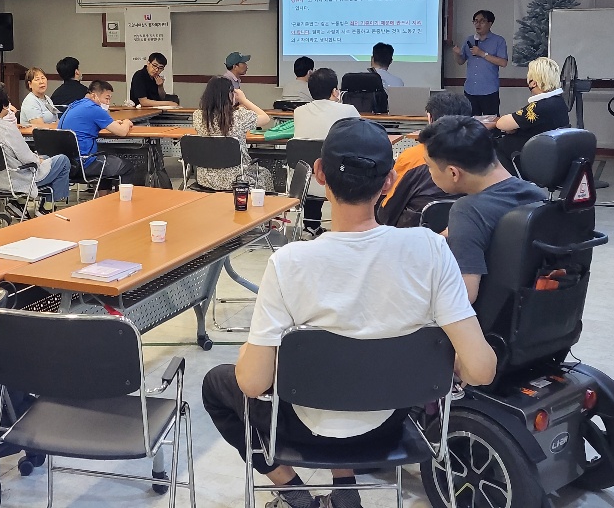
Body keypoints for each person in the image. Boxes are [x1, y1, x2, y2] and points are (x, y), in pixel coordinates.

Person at [201, 118, 496, 508]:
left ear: (319, 173)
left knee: (217, 385)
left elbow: (254, 384)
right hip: (390, 428)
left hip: (303, 430)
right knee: (352, 365)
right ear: (389, 181)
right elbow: (481, 371)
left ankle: (296, 495)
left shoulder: (289, 262)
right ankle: (345, 489)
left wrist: (248, 356)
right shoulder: (431, 249)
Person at [419, 115, 546, 302]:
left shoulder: (468, 211)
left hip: (485, 317)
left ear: (453, 173)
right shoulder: (536, 195)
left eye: (429, 166)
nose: (429, 172)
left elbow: (464, 296)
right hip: (528, 310)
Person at [376, 91, 473, 228]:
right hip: (468, 229)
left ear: (430, 118)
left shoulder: (412, 157)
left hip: (416, 233)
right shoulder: (483, 155)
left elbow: (387, 212)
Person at [0, 83, 71, 205]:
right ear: (4, 105)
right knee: (63, 161)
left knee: (46, 158)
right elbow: (27, 159)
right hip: (13, 180)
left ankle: (21, 204)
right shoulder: (8, 129)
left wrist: (40, 159)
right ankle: (49, 206)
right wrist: (38, 160)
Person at [292, 68, 360, 233]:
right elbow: (361, 134)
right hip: (337, 182)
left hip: (303, 183)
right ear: (334, 90)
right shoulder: (348, 110)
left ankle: (311, 226)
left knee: (317, 161)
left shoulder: (298, 111)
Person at [191, 77, 273, 191]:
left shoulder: (198, 116)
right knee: (265, 173)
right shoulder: (239, 116)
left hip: (205, 179)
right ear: (229, 95)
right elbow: (265, 118)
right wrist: (244, 100)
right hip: (237, 179)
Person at [491, 55, 569, 172]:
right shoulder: (559, 102)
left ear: (534, 83)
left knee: (494, 145)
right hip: (550, 156)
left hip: (533, 158)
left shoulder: (540, 106)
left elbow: (502, 124)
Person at [57, 80, 134, 183]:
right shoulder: (94, 109)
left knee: (105, 157)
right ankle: (123, 194)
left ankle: (103, 193)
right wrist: (126, 122)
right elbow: (122, 132)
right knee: (127, 166)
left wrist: (111, 123)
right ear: (94, 96)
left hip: (67, 164)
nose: (108, 103)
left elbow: (86, 123)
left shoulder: (74, 105)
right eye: (106, 98)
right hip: (84, 163)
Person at [450, 10, 509, 116]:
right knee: (470, 122)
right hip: (470, 89)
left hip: (489, 90)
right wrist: (456, 54)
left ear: (490, 23)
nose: (478, 24)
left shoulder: (498, 40)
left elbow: (503, 62)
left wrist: (482, 53)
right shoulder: (469, 40)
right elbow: (461, 61)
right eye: (475, 21)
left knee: (491, 122)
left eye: (482, 21)